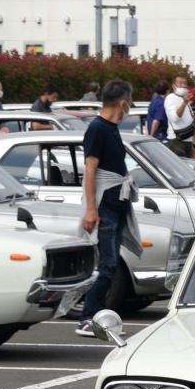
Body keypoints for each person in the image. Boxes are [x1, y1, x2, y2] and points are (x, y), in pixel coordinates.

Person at [74, 81, 135, 337]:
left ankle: (96, 315)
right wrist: (91, 209)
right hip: (105, 207)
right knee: (108, 264)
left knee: (111, 264)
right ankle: (87, 317)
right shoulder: (97, 129)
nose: (130, 108)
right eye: (130, 102)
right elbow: (90, 170)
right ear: (123, 103)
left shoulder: (111, 128)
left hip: (116, 205)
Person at [163, 75, 195, 156]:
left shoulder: (184, 98)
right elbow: (174, 118)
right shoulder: (171, 98)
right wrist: (184, 103)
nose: (183, 85)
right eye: (180, 83)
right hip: (176, 141)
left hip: (188, 140)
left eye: (185, 83)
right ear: (174, 86)